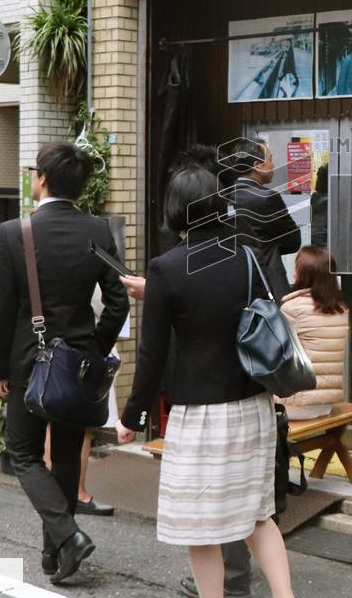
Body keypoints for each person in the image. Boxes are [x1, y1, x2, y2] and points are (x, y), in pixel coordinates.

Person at [116, 165, 295, 598]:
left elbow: (152, 353)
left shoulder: (166, 268)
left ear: (175, 210)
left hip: (200, 416)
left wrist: (133, 415)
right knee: (256, 516)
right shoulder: (246, 254)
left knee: (200, 527)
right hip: (254, 405)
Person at [0, 141, 129, 584]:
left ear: (44, 178)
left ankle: (67, 537)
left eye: (34, 172)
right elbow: (118, 301)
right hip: (77, 363)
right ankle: (56, 557)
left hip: (28, 362)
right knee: (67, 456)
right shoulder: (98, 230)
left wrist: (0, 370)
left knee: (24, 453)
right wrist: (94, 345)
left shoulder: (16, 232)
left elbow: (5, 309)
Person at [276, 246, 349, 420]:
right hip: (327, 404)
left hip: (296, 405)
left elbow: (277, 353)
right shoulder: (341, 309)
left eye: (296, 269)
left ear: (304, 275)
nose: (293, 274)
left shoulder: (292, 308)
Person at [231, 137, 301, 301]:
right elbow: (293, 241)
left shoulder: (223, 197)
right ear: (257, 166)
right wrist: (272, 244)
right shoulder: (267, 198)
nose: (273, 165)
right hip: (268, 281)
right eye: (270, 159)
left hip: (234, 280)